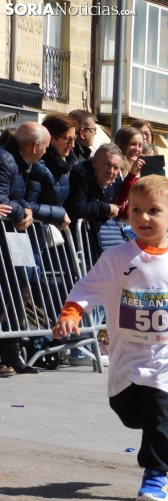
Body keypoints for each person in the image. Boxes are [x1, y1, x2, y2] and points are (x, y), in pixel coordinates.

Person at [53, 175, 168, 501]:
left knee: (155, 414)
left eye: (154, 210)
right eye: (136, 210)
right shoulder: (116, 259)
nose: (144, 217)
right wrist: (71, 315)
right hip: (129, 356)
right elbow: (86, 289)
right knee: (129, 414)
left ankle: (156, 476)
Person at [0, 122, 50, 375]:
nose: (46, 152)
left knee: (19, 291)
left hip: (13, 238)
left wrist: (27, 209)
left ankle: (12, 352)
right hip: (5, 237)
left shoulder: (19, 163)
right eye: (46, 147)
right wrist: (21, 211)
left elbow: (14, 199)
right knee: (8, 293)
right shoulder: (5, 161)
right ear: (35, 146)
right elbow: (2, 202)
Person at [65, 143, 124, 252]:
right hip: (77, 242)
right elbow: (77, 208)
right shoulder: (81, 173)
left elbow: (112, 208)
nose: (111, 171)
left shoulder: (117, 180)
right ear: (95, 162)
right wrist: (106, 208)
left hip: (101, 235)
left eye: (116, 167)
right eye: (107, 164)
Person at [25, 113, 79, 229]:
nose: (72, 145)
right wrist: (60, 214)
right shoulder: (38, 166)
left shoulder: (63, 167)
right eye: (67, 139)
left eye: (74, 139)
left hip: (49, 233)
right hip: (33, 234)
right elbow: (28, 206)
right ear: (51, 138)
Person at [114, 127, 146, 220]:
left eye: (140, 145)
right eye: (133, 144)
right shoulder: (115, 170)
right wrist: (132, 174)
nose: (137, 149)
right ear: (122, 145)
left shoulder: (139, 170)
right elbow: (120, 202)